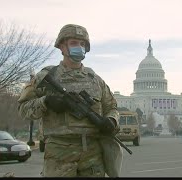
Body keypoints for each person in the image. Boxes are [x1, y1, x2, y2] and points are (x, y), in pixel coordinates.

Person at [17, 24, 121, 177]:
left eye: (82, 44)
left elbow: (112, 107)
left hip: (92, 155)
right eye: (73, 43)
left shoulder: (96, 80)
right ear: (61, 46)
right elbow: (23, 109)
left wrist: (111, 121)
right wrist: (46, 102)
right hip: (59, 155)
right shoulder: (45, 77)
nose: (79, 47)